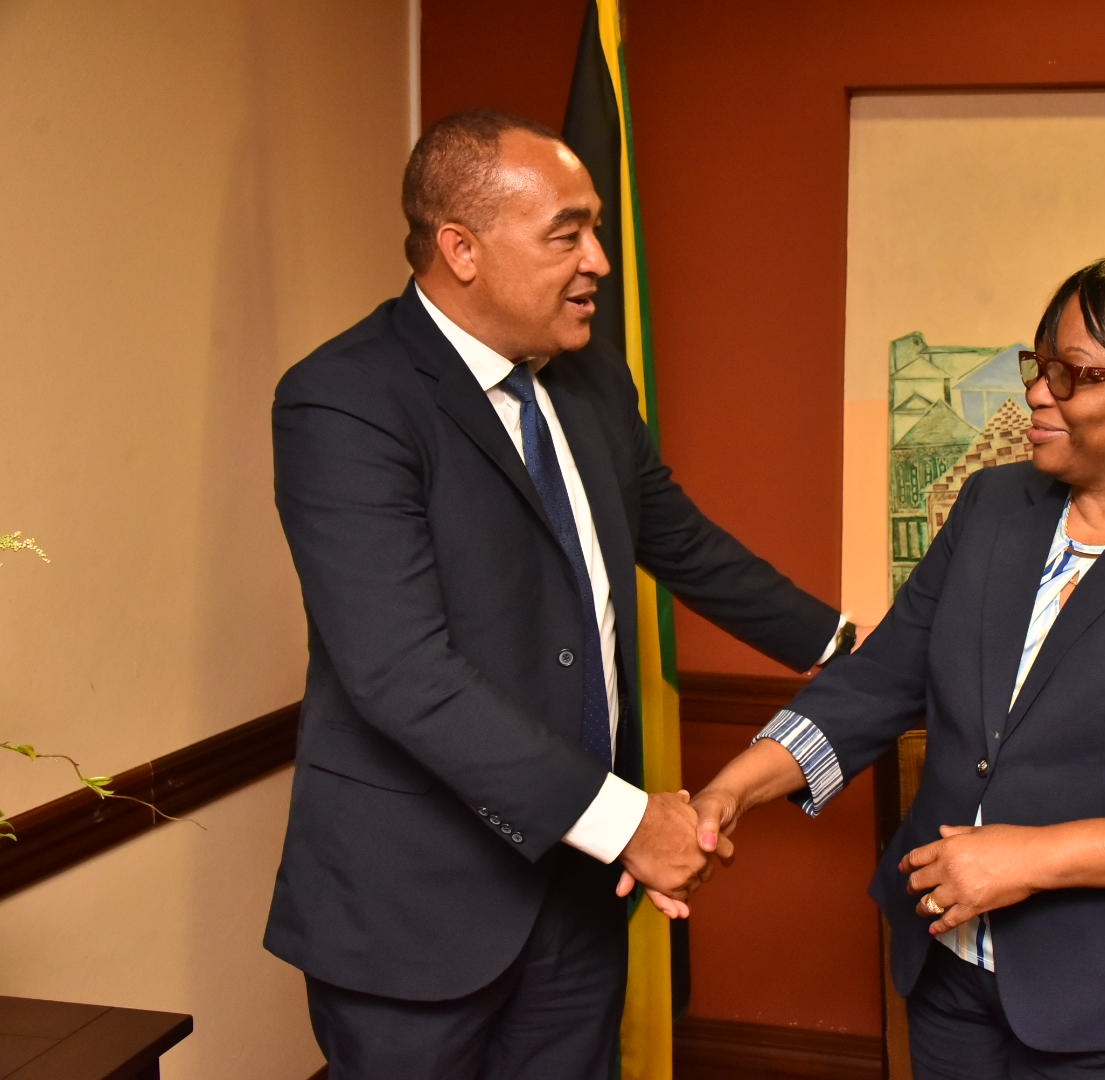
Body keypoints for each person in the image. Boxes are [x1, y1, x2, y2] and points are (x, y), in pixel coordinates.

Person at [265, 109, 848, 1080]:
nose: (601, 263)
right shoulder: (344, 400)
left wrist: (852, 652)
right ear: (462, 248)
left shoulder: (589, 381)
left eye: (599, 231)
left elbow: (684, 544)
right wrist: (631, 822)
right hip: (416, 916)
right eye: (567, 233)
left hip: (578, 899)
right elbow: (400, 673)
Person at [692, 250, 1105, 1080]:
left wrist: (1028, 858)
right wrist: (731, 788)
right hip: (951, 972)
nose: (1038, 391)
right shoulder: (994, 504)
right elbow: (880, 680)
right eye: (1042, 364)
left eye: (1078, 374)